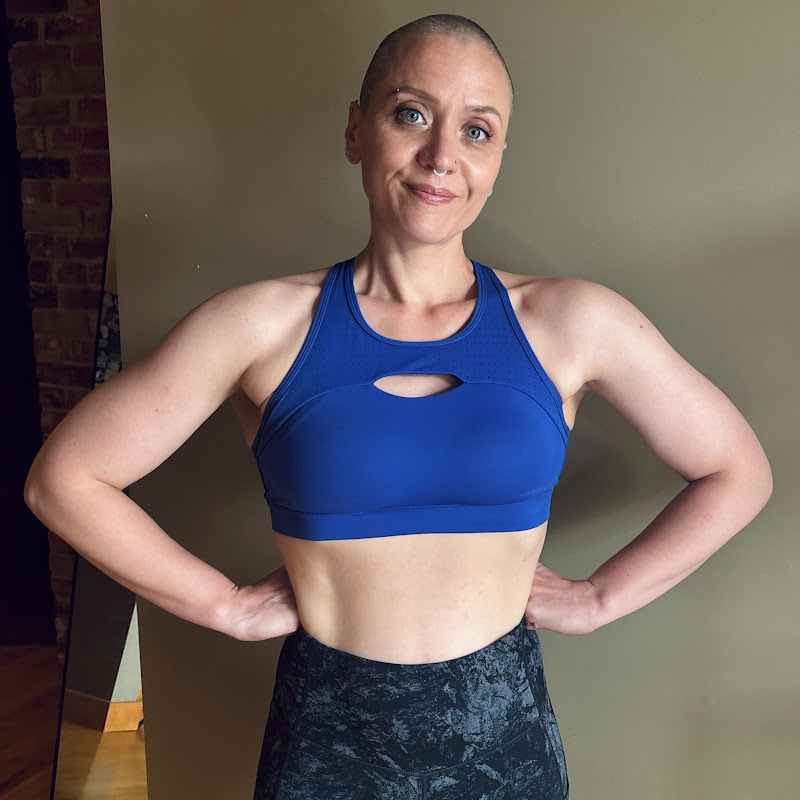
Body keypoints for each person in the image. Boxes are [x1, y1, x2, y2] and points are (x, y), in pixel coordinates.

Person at [24, 13, 773, 800]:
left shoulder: (571, 322)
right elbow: (64, 480)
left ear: (498, 157)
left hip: (507, 742)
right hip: (324, 742)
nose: (442, 155)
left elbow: (737, 471)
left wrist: (600, 598)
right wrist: (225, 606)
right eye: (411, 114)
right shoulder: (258, 325)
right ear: (358, 130)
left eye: (477, 131)